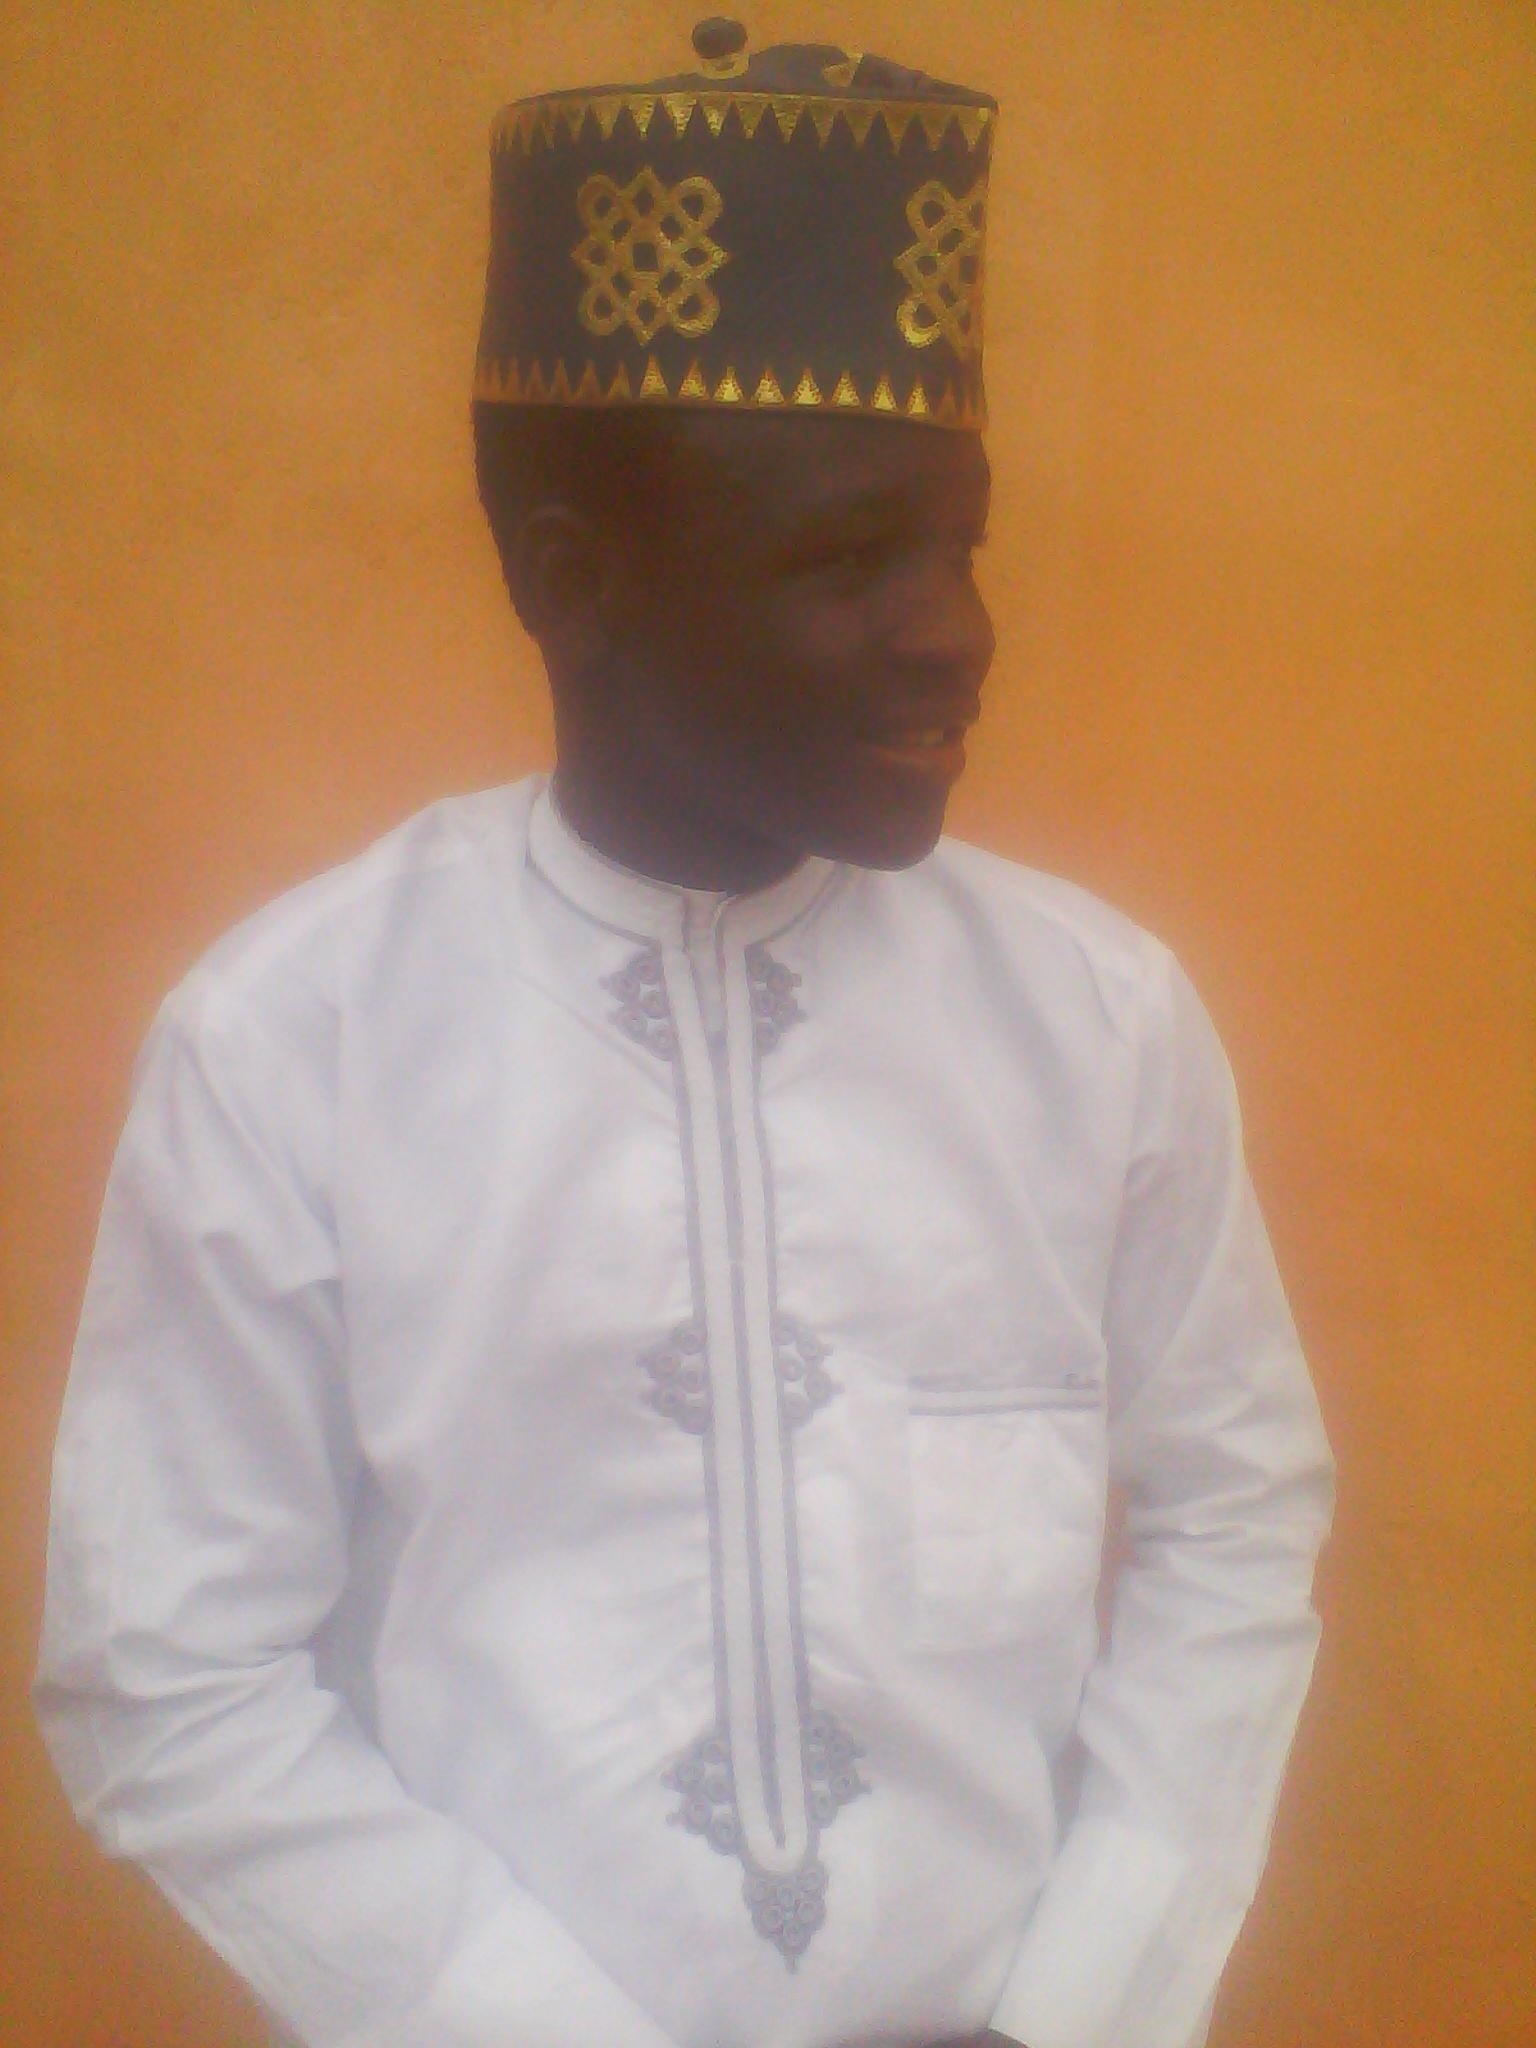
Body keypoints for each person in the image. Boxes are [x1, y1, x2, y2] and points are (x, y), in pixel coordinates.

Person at [35, 22, 1333, 2048]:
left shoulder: (1093, 1018)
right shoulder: (299, 1042)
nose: (958, 629)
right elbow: (167, 1674)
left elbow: (1234, 1512)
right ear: (577, 580)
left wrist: (1089, 1998)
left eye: (963, 541)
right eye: (848, 558)